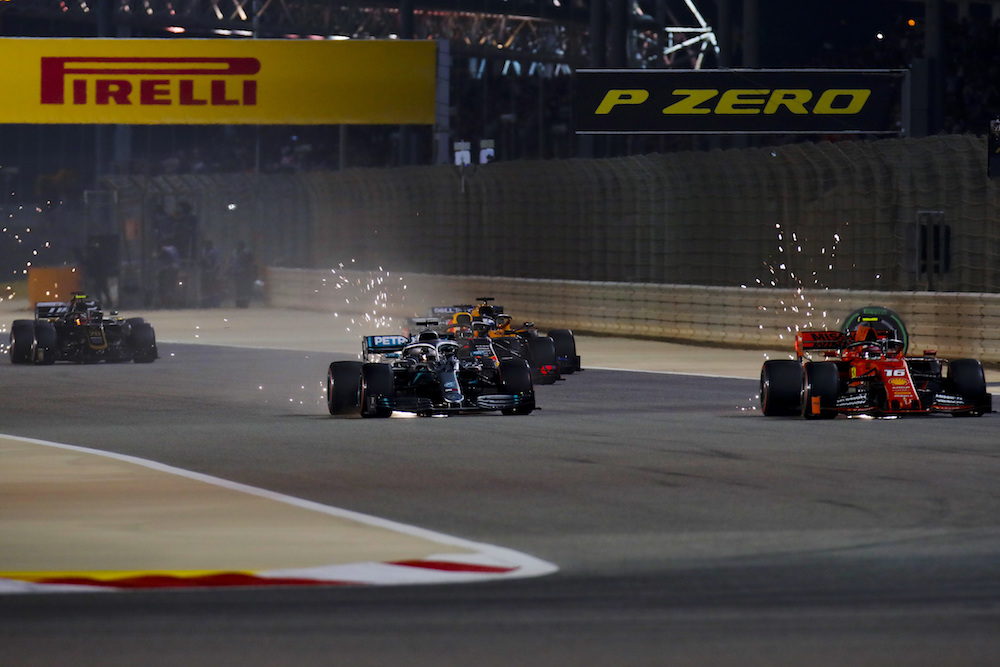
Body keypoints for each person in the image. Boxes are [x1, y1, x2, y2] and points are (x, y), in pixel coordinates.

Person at [230, 240, 257, 308]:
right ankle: (239, 303)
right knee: (239, 288)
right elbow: (232, 261)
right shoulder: (235, 252)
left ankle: (244, 303)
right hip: (237, 272)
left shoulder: (247, 252)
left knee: (244, 288)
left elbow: (251, 261)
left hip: (245, 273)